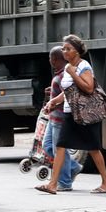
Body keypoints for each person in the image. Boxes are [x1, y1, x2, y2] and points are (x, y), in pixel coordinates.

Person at [35, 34, 106, 195]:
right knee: (60, 146)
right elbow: (68, 92)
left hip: (85, 114)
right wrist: (53, 102)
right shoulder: (67, 67)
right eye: (63, 48)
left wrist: (73, 73)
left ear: (76, 52)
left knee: (93, 148)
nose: (64, 51)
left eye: (68, 49)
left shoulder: (83, 66)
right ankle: (53, 184)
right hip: (70, 114)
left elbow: (89, 88)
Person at [41, 46, 83, 191]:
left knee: (59, 150)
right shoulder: (59, 75)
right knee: (47, 146)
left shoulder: (64, 75)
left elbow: (69, 94)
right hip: (53, 118)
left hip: (60, 119)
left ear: (53, 60)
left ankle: (64, 182)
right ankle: (73, 166)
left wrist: (53, 103)